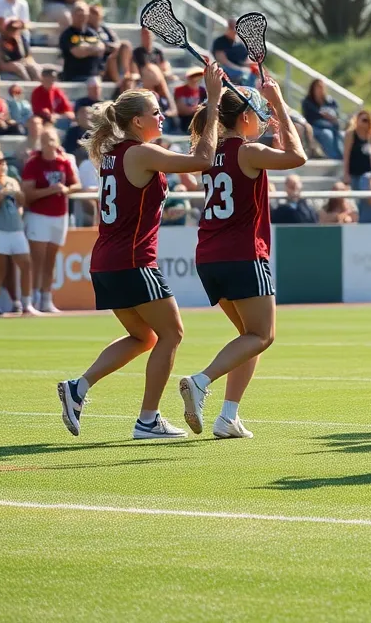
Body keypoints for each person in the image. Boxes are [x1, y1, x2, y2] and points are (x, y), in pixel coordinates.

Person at [56, 65, 224, 441]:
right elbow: (203, 161)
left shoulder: (119, 154)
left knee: (144, 338)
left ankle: (78, 387)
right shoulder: (142, 153)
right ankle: (148, 420)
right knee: (172, 333)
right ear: (136, 122)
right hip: (132, 261)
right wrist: (212, 103)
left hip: (107, 261)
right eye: (155, 111)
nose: (162, 115)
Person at [176, 78, 306, 438]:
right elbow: (298, 157)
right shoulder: (246, 150)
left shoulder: (209, 152)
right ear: (244, 116)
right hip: (244, 254)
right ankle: (201, 381)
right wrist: (279, 105)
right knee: (262, 336)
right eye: (257, 115)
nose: (261, 119)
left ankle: (228, 416)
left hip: (210, 255)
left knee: (247, 337)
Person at [22, 125, 78, 313]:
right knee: (36, 260)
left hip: (59, 214)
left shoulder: (64, 162)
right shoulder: (33, 163)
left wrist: (66, 189)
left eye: (52, 139)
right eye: (45, 140)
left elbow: (76, 184)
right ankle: (32, 298)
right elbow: (27, 192)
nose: (49, 143)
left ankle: (46, 298)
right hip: (39, 215)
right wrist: (50, 190)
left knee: (51, 260)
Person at [0, 150, 39, 316]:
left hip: (16, 228)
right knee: (0, 269)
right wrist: (2, 194)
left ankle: (27, 304)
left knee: (26, 264)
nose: (3, 166)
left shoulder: (13, 181)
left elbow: (22, 202)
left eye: (4, 163)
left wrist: (18, 194)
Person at [58, 2, 105, 82]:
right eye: (78, 14)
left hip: (92, 75)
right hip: (74, 76)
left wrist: (85, 48)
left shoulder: (91, 33)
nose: (81, 17)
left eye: (84, 14)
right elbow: (78, 52)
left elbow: (101, 48)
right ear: (72, 15)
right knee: (94, 82)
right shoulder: (68, 34)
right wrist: (93, 48)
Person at [88, 4, 131, 82]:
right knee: (112, 58)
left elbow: (116, 41)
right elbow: (97, 45)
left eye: (97, 13)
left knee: (125, 45)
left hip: (112, 54)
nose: (96, 16)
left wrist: (114, 47)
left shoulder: (104, 29)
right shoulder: (87, 31)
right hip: (102, 62)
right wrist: (109, 47)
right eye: (93, 13)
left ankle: (126, 74)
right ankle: (119, 83)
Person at [302, 79, 343, 159]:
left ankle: (341, 154)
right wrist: (323, 116)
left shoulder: (330, 101)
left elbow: (336, 113)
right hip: (314, 126)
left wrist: (331, 117)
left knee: (341, 135)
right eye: (318, 87)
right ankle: (334, 157)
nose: (320, 89)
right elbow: (309, 116)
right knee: (327, 134)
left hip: (331, 126)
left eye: (322, 87)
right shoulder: (307, 102)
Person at [343, 109, 371, 186]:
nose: (365, 123)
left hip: (368, 172)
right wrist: (346, 174)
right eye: (363, 120)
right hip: (354, 172)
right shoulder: (351, 134)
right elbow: (346, 154)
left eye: (367, 120)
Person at [174, 67, 207, 133]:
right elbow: (182, 110)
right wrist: (198, 108)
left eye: (199, 76)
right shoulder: (180, 90)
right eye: (193, 76)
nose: (196, 79)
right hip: (186, 120)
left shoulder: (202, 90)